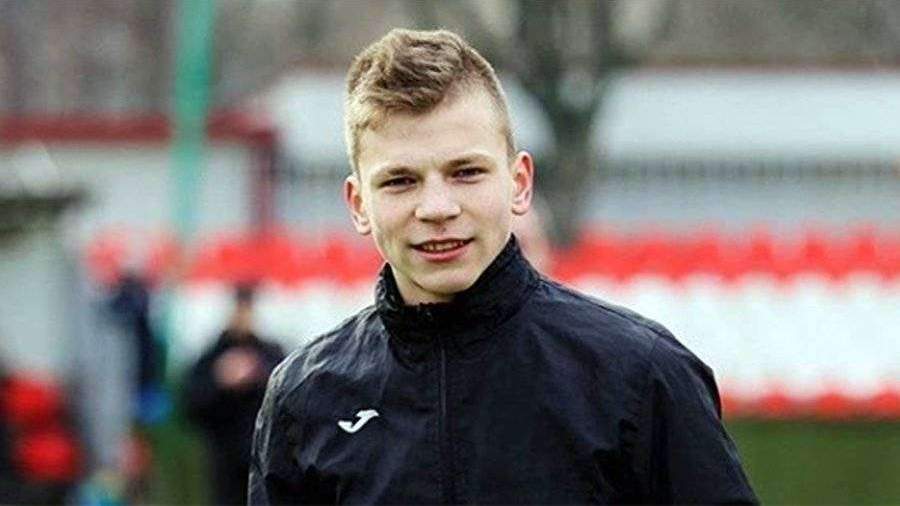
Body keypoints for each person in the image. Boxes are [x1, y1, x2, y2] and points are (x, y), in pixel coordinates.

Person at [250, 29, 757, 504]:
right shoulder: (305, 398)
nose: (437, 208)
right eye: (400, 181)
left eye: (466, 172)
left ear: (519, 183)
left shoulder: (641, 374)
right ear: (359, 204)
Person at [185, 285, 284, 505]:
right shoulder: (213, 356)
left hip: (265, 455)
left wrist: (257, 374)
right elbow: (193, 404)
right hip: (223, 458)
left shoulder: (271, 353)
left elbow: (286, 399)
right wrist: (221, 380)